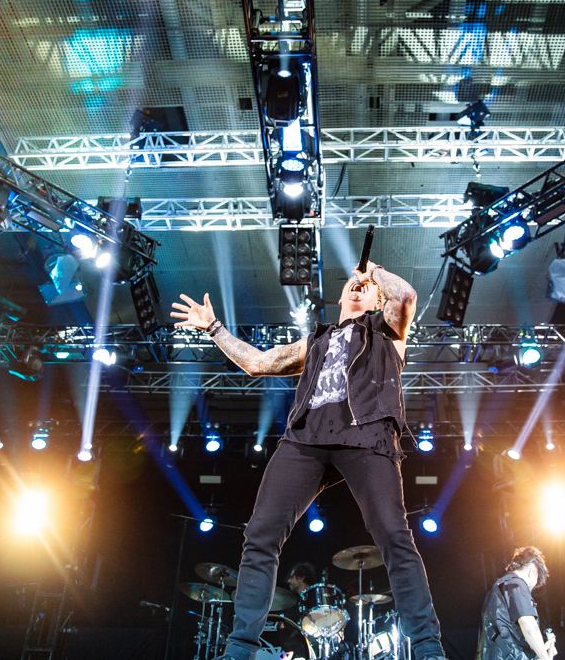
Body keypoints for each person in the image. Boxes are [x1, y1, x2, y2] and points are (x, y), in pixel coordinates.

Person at [170, 262, 446, 660]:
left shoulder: (387, 330)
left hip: (366, 434)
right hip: (306, 438)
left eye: (367, 286)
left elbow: (404, 297)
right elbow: (258, 363)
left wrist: (374, 270)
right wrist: (214, 328)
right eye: (353, 283)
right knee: (260, 535)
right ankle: (240, 647)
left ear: (377, 299)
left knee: (393, 535)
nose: (358, 286)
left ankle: (428, 648)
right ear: (340, 295)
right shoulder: (316, 340)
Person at [477, 546, 557, 660]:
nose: (531, 589)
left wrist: (544, 647)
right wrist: (545, 657)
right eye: (535, 582)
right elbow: (528, 624)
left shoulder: (498, 588)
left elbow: (507, 634)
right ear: (532, 571)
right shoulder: (517, 584)